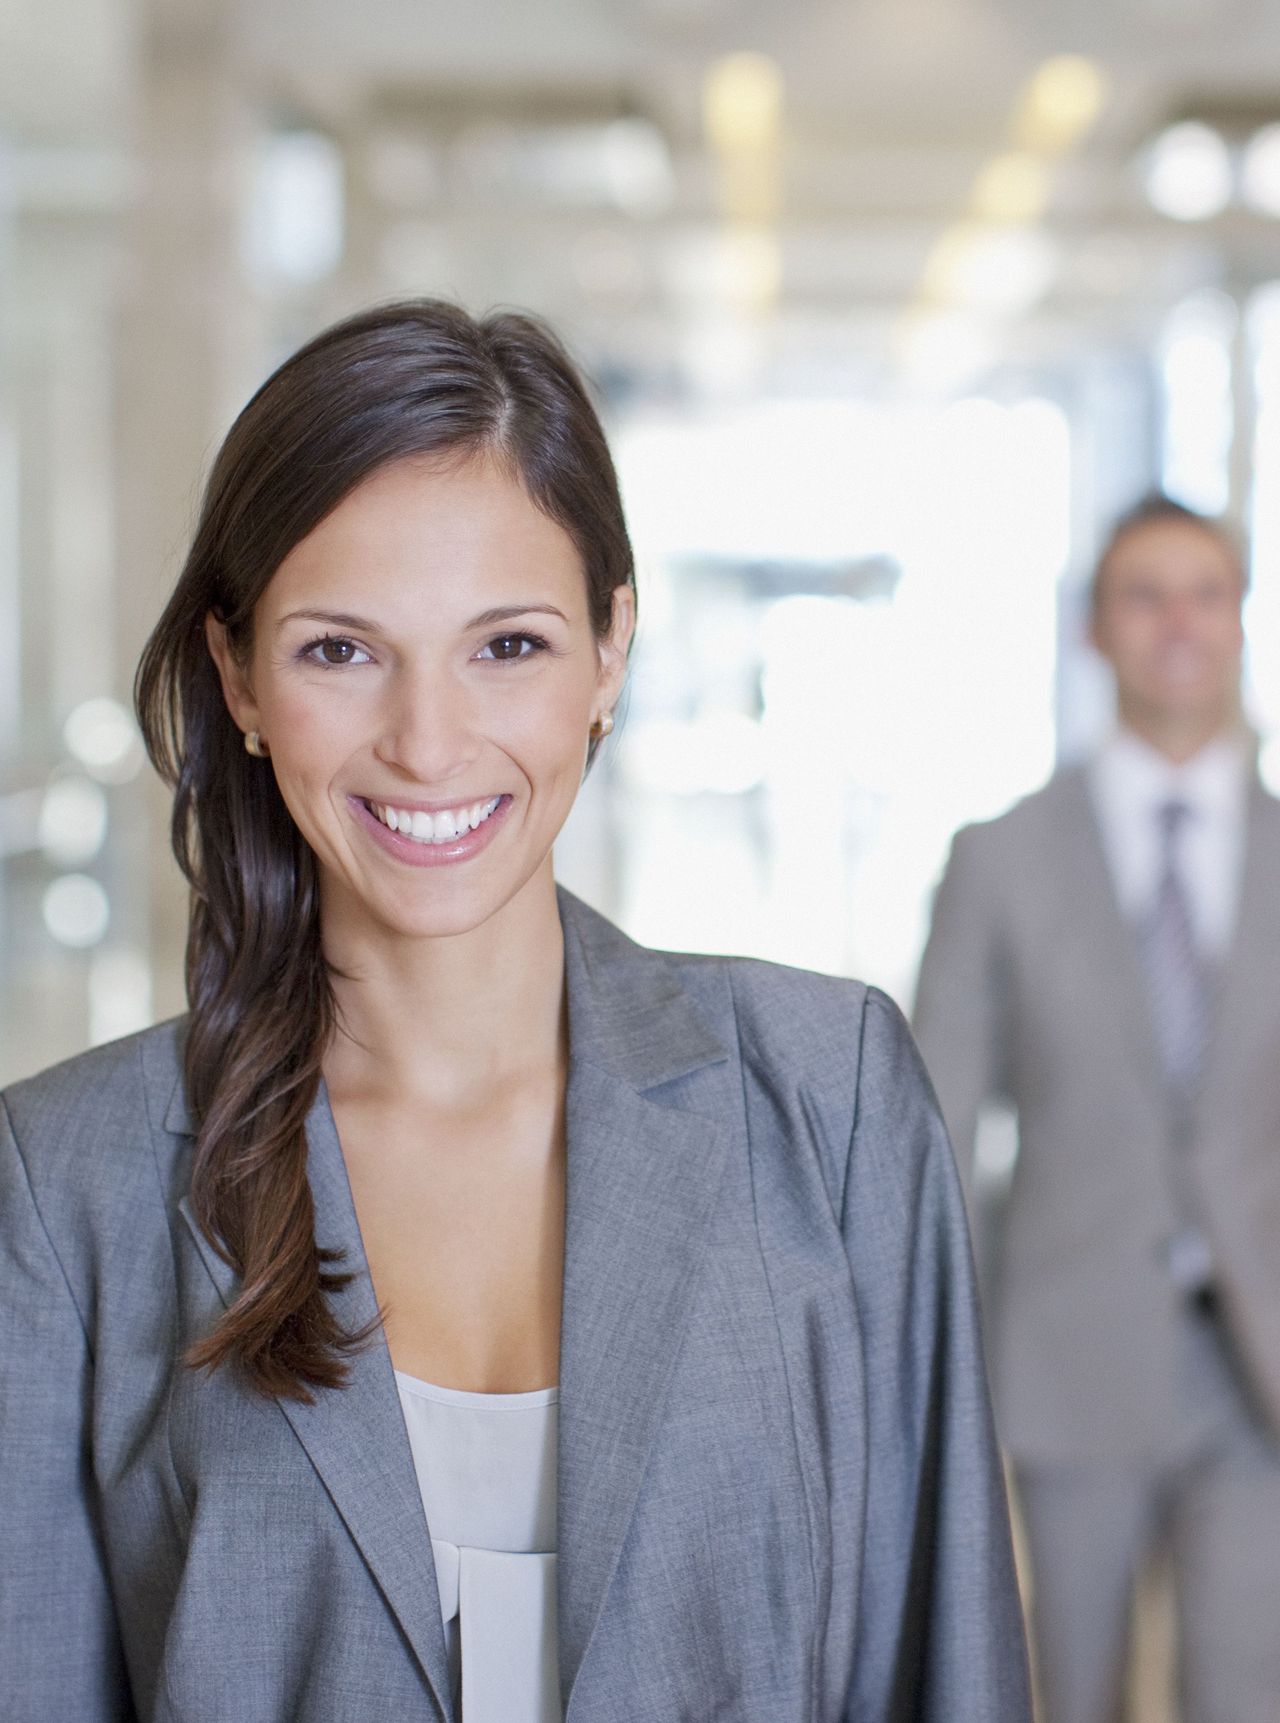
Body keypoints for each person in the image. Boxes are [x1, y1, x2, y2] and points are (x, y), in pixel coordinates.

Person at [1, 299, 1029, 1723]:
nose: (429, 740)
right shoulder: (69, 1185)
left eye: (509, 645)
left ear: (611, 650)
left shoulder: (830, 1104)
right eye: (340, 650)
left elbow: (947, 1671)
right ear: (238, 676)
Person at [913, 494, 1280, 1723]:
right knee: (1066, 1695)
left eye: (1204, 594)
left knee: (1247, 1687)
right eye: (1144, 594)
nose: (1178, 622)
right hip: (1067, 1355)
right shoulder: (998, 857)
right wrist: (931, 1363)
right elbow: (936, 1130)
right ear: (1093, 629)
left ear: (1237, 621)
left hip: (1259, 1367)